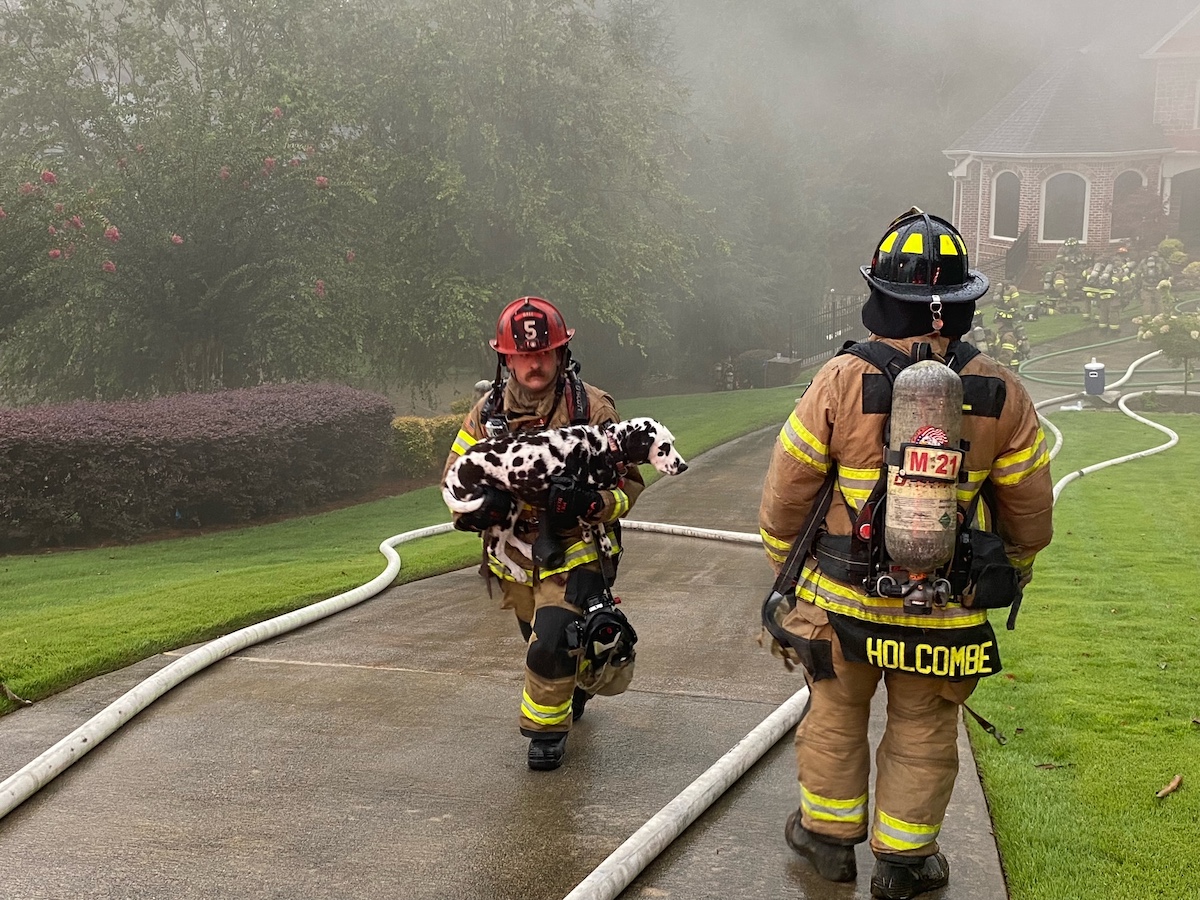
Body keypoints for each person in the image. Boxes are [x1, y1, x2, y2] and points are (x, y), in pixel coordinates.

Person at [758, 210, 1053, 899]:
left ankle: (827, 843)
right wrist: (1013, 566)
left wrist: (789, 571)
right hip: (946, 611)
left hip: (842, 603)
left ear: (881, 296)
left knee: (834, 715)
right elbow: (1029, 515)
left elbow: (785, 497)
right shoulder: (1001, 392)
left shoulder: (838, 379)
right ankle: (905, 862)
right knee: (923, 726)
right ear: (962, 302)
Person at [443, 296, 645, 771]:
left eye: (544, 353)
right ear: (506, 358)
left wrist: (590, 501)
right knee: (536, 633)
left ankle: (546, 734)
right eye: (524, 355)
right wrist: (475, 505)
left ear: (560, 354)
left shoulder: (592, 410)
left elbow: (628, 484)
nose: (534, 364)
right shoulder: (485, 414)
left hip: (577, 546)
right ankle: (571, 682)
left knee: (554, 638)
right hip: (513, 554)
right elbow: (455, 475)